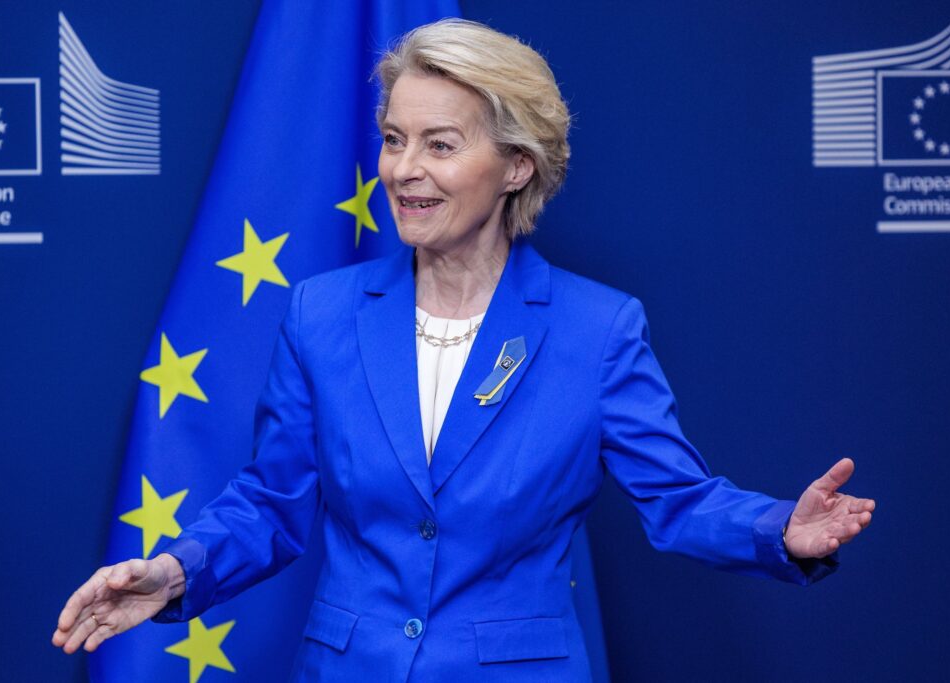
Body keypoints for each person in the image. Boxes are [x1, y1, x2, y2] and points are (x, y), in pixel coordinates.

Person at [53, 18, 875, 680]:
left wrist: (779, 529)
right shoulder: (320, 313)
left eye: (440, 144)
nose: (403, 170)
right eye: (393, 139)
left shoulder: (598, 329)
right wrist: (174, 573)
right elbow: (271, 500)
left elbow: (680, 499)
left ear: (515, 166)